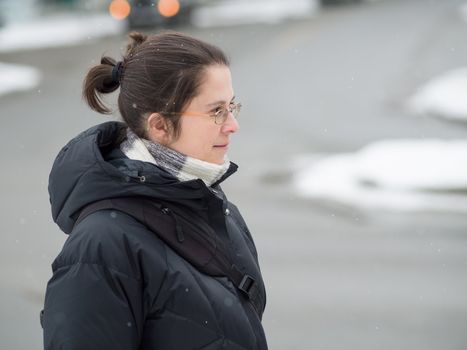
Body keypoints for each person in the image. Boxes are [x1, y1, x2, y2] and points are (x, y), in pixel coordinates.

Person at [42, 32, 268, 350]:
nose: (232, 124)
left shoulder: (215, 207)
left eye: (232, 106)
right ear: (159, 125)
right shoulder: (101, 247)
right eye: (216, 111)